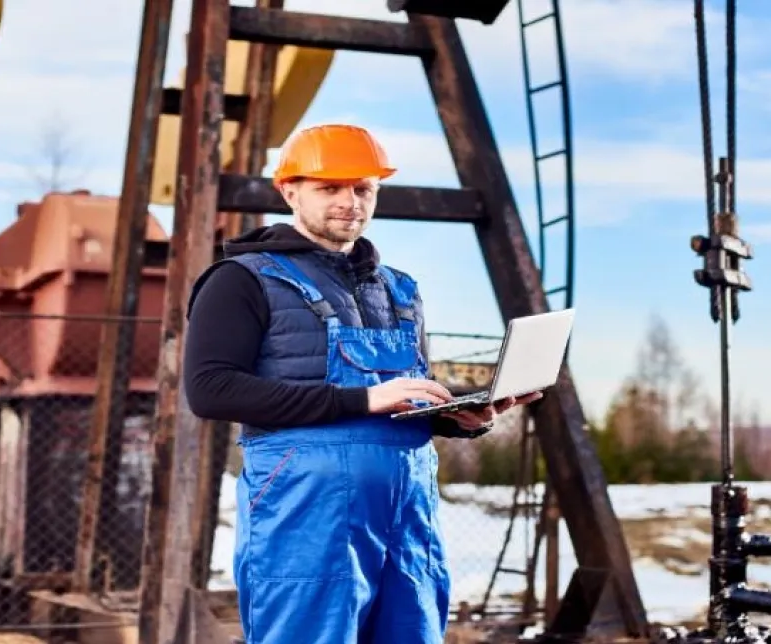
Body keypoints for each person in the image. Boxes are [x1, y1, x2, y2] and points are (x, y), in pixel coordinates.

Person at [182, 123, 541, 644]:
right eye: (330, 188)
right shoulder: (241, 279)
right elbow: (210, 390)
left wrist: (459, 418)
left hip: (406, 508)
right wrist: (364, 398)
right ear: (290, 192)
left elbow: (401, 398)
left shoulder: (398, 289)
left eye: (363, 188)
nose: (350, 202)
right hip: (306, 512)